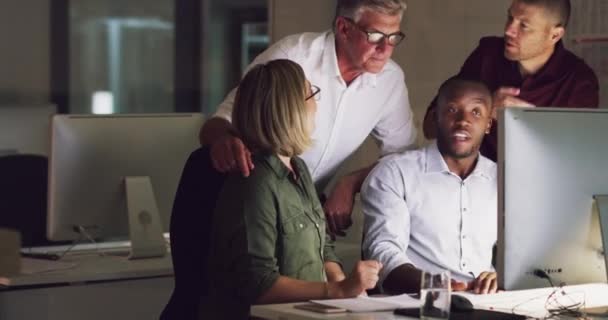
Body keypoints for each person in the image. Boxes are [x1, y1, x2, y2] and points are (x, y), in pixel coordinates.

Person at [199, 0, 417, 236]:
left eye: (394, 37)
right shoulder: (293, 56)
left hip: (303, 208)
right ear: (344, 28)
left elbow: (403, 157)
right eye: (375, 36)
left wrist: (351, 183)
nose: (386, 48)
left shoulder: (391, 80)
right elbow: (217, 124)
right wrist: (225, 140)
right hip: (242, 203)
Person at [202, 59, 382, 319]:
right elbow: (258, 284)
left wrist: (349, 290)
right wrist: (338, 290)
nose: (317, 104)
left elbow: (324, 247)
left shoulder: (299, 168)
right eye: (311, 94)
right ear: (289, 109)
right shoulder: (255, 181)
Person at [362, 77, 498, 295]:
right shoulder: (395, 172)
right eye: (453, 110)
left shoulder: (502, 180)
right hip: (416, 303)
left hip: (488, 302)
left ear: (488, 124)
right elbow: (383, 251)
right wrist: (435, 286)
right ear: (435, 118)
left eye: (476, 112)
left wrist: (502, 277)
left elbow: (522, 253)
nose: (464, 121)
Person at [422, 0, 599, 161]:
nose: (509, 30)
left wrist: (534, 126)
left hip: (540, 188)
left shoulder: (579, 81)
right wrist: (485, 109)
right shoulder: (487, 55)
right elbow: (429, 127)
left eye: (524, 25)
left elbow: (579, 160)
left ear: (555, 35)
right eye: (510, 17)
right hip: (475, 185)